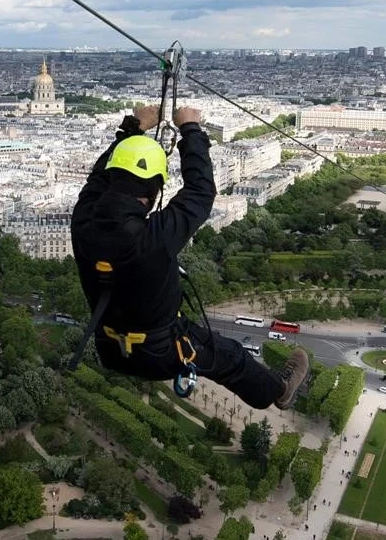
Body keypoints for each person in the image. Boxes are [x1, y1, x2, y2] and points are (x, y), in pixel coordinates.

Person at [71, 104, 308, 410]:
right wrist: (191, 129)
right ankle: (279, 391)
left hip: (109, 346)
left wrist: (131, 129)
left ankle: (277, 390)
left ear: (113, 179)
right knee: (232, 358)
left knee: (225, 354)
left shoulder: (83, 221)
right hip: (160, 351)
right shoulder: (152, 237)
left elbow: (98, 179)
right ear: (156, 191)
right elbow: (200, 192)